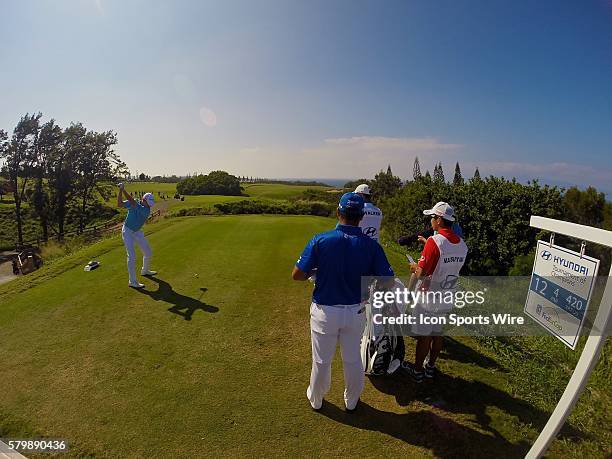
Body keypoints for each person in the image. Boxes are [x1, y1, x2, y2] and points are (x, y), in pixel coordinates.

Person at [292, 192, 394, 412]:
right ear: (361, 217)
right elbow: (388, 280)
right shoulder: (371, 246)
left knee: (321, 360)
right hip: (356, 311)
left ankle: (317, 399)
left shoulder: (320, 240)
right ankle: (352, 401)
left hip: (325, 311)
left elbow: (297, 275)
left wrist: (317, 271)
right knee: (352, 359)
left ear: (338, 212)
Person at [402, 201, 468, 383]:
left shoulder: (434, 242)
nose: (431, 221)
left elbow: (422, 273)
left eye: (432, 217)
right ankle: (430, 367)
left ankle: (417, 371)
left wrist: (414, 266)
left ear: (439, 220)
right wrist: (428, 245)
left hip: (429, 296)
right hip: (448, 293)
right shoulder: (462, 244)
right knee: (438, 332)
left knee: (425, 336)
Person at [117, 183, 157, 288]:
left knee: (148, 252)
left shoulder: (146, 210)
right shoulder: (135, 202)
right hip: (128, 231)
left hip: (138, 231)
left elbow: (133, 203)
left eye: (150, 203)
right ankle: (132, 281)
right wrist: (120, 191)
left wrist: (123, 189)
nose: (149, 205)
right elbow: (120, 204)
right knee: (132, 256)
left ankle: (145, 270)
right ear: (143, 200)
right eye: (148, 202)